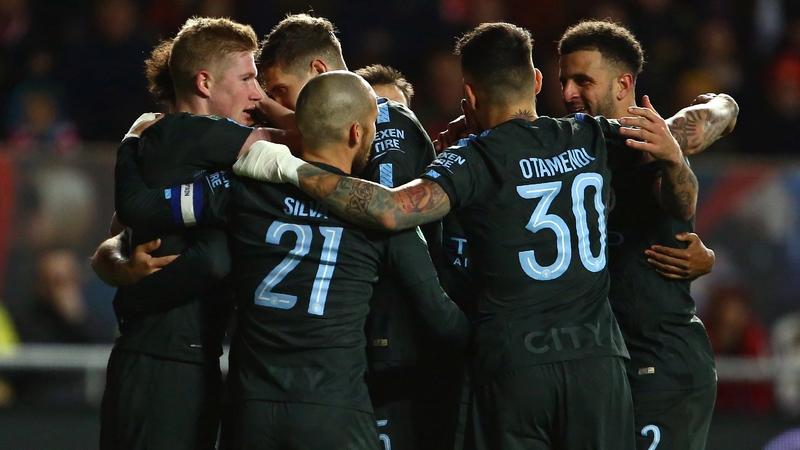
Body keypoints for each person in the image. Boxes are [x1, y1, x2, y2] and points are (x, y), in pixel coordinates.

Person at [114, 70, 468, 449]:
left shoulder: (244, 188)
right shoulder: (379, 215)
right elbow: (440, 317)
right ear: (356, 133)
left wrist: (132, 140)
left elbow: (141, 207)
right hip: (334, 411)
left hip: (252, 412)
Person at [257, 15, 463, 449]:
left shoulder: (388, 127)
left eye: (280, 92)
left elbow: (393, 227)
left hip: (394, 351)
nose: (274, 104)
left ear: (318, 73)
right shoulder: (288, 147)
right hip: (345, 359)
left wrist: (458, 334)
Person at [90, 17, 295, 450]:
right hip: (161, 364)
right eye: (247, 78)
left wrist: (112, 262)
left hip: (178, 359)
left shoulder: (167, 142)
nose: (257, 93)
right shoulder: (194, 133)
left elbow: (117, 230)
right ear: (204, 82)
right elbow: (309, 138)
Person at [557, 19, 739, 450]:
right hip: (593, 367)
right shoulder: (559, 150)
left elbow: (682, 195)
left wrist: (722, 106)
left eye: (583, 80)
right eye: (564, 80)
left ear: (623, 83)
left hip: (657, 365)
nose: (568, 94)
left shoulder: (653, 143)